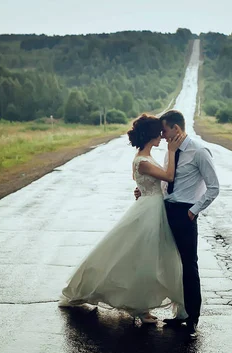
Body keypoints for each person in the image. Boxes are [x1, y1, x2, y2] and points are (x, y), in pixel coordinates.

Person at [59, 114, 186, 324]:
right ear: (150, 136)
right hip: (149, 211)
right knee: (143, 259)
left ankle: (143, 307)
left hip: (152, 207)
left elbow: (151, 185)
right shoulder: (143, 161)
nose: (162, 138)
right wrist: (172, 152)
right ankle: (140, 308)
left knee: (148, 259)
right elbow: (169, 177)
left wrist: (142, 190)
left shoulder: (145, 157)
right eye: (158, 135)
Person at [136, 109, 220, 338]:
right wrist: (146, 192)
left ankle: (192, 318)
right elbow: (166, 183)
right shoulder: (170, 152)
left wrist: (193, 211)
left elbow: (214, 187)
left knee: (188, 265)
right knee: (168, 264)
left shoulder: (199, 151)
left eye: (164, 131)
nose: (161, 136)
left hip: (185, 213)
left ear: (177, 129)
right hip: (165, 210)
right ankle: (180, 314)